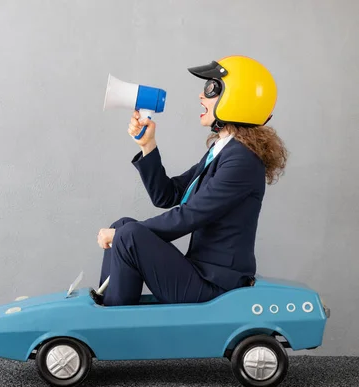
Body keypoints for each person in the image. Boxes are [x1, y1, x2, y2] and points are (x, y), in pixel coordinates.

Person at [96, 55, 288, 306]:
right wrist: (148, 145)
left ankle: (111, 327)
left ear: (238, 98)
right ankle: (107, 308)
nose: (201, 96)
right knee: (124, 225)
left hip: (216, 285)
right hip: (199, 272)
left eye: (211, 89)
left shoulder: (242, 160)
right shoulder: (223, 150)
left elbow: (190, 215)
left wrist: (122, 235)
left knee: (128, 234)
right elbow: (166, 195)